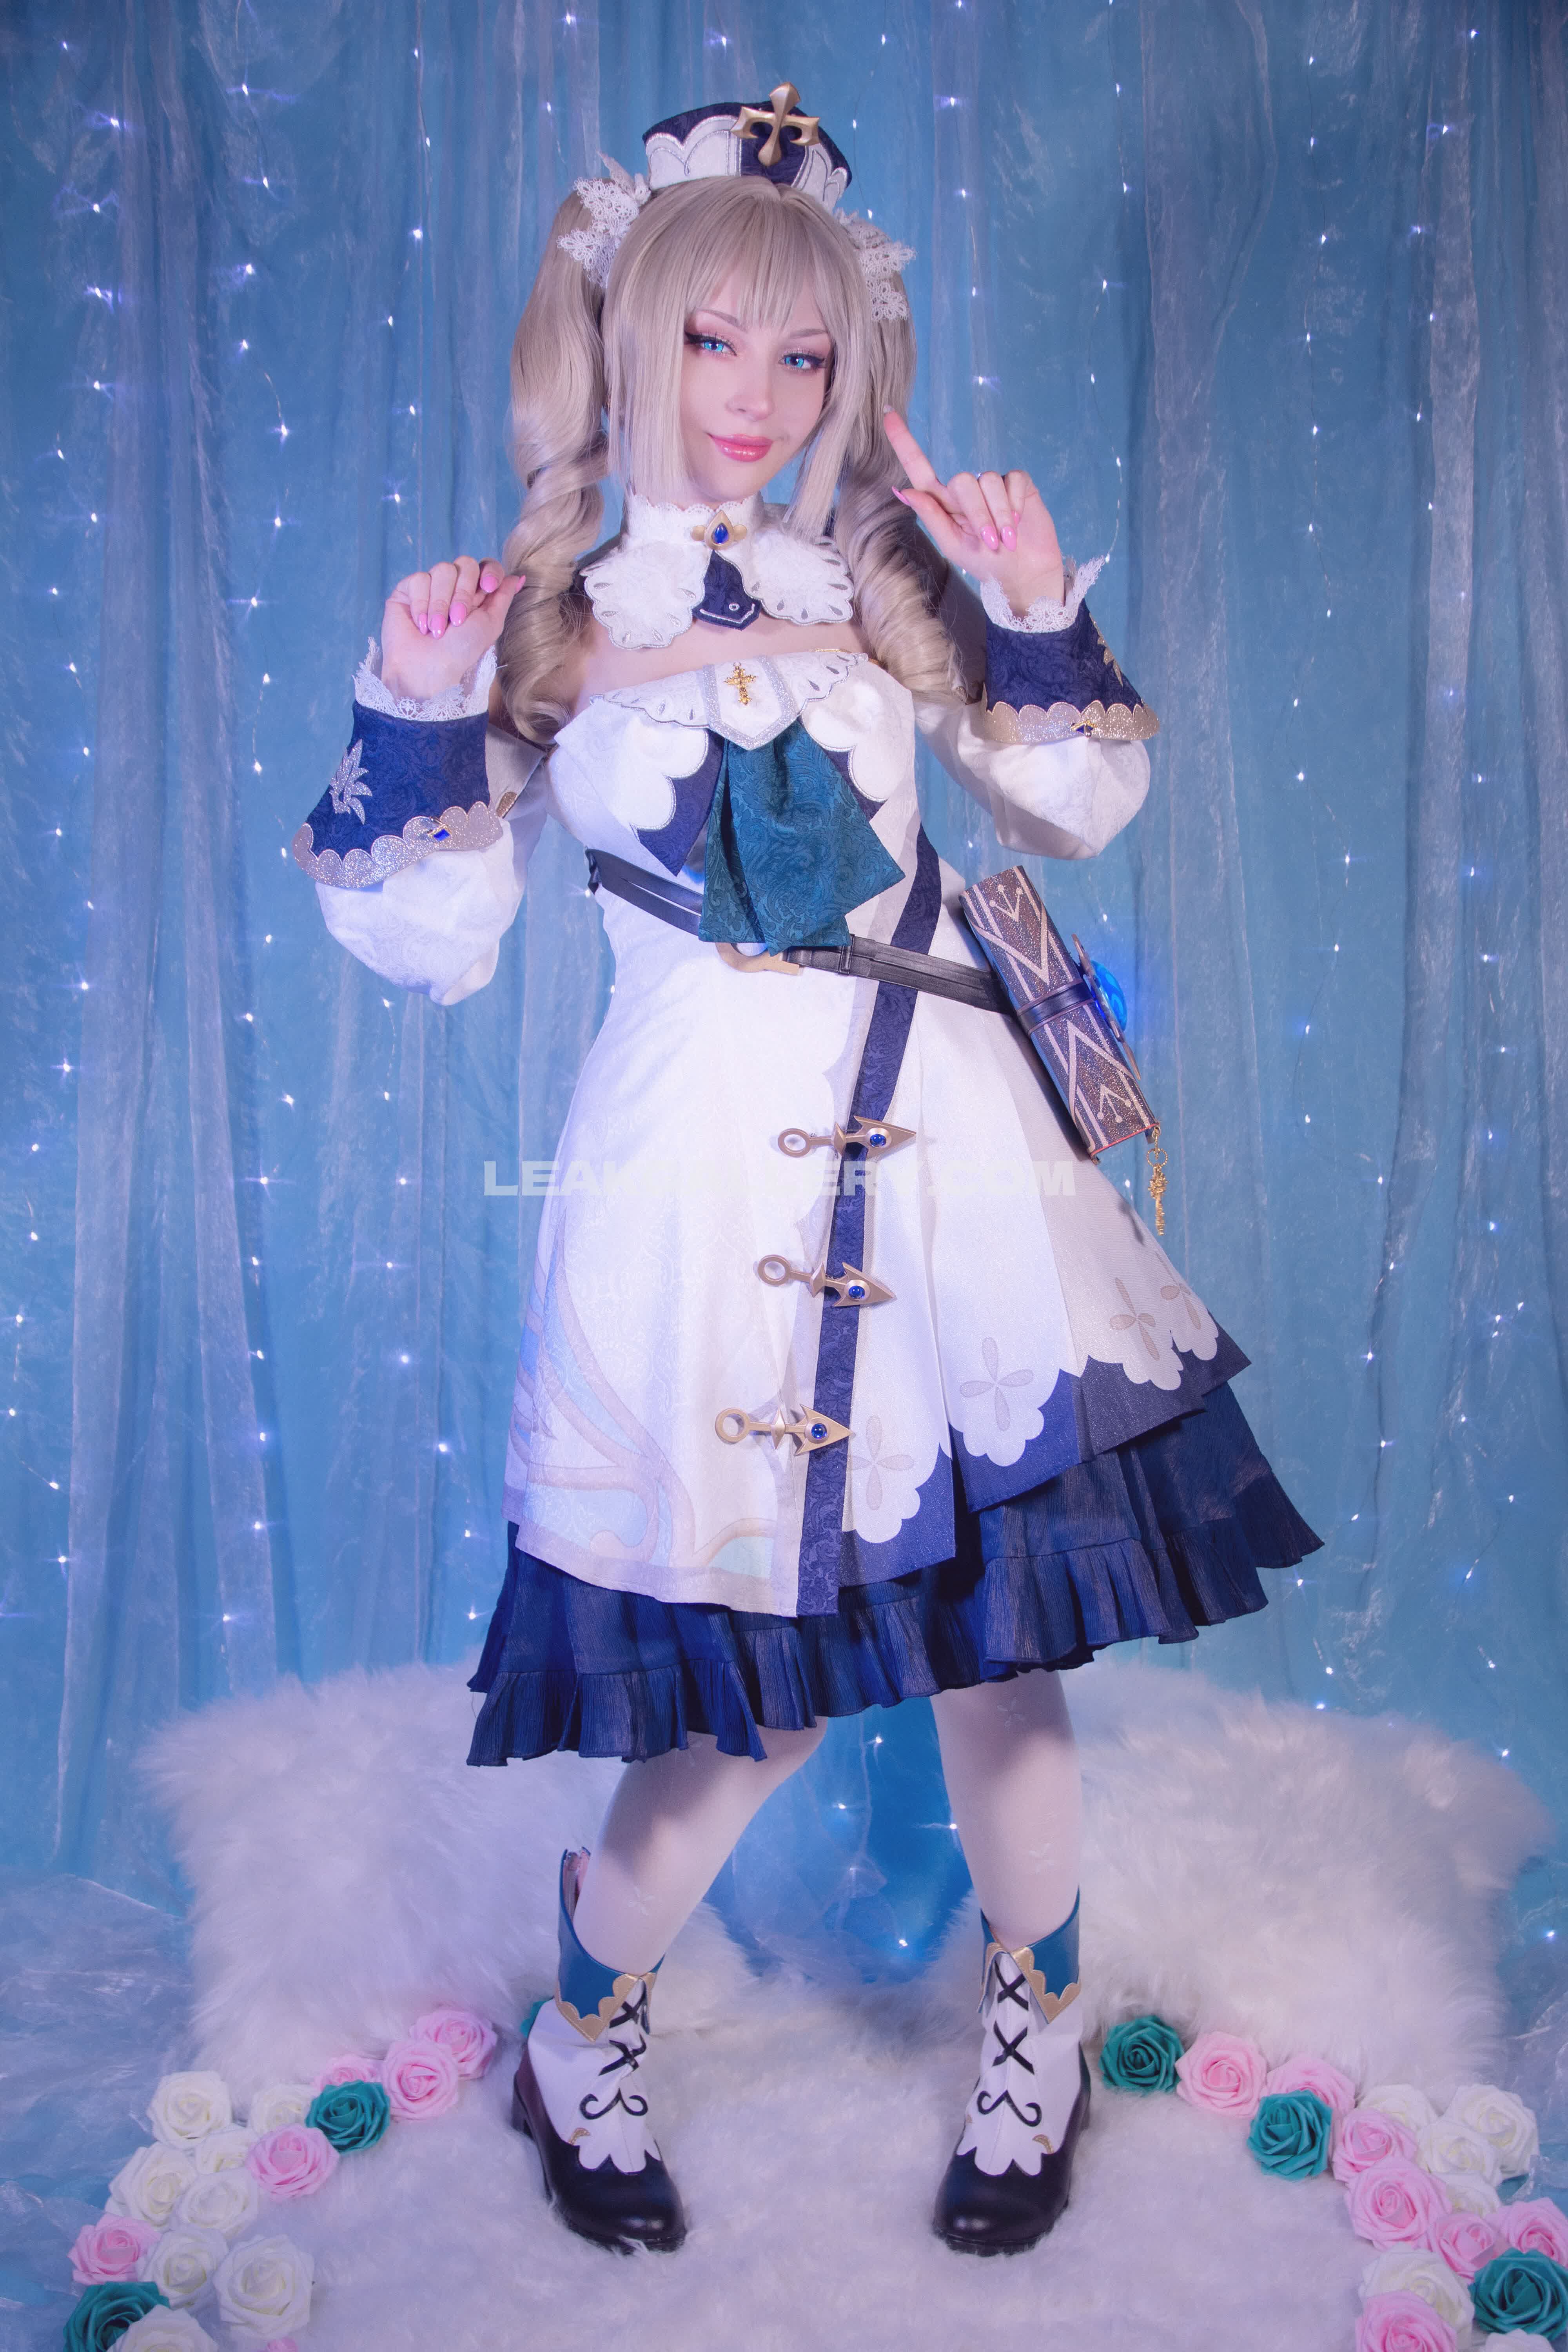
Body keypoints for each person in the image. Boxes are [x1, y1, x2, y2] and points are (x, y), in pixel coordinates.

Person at [293, 86, 1319, 2260]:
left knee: (1003, 1650)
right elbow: (432, 942)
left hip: (954, 1174)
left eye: (805, 350)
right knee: (738, 1696)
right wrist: (412, 702)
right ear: (624, 333)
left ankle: (1037, 2024)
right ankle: (585, 2023)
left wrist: (1026, 603)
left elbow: (1073, 807)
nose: (756, 394)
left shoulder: (878, 582)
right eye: (709, 338)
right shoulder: (547, 623)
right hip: (702, 1205)